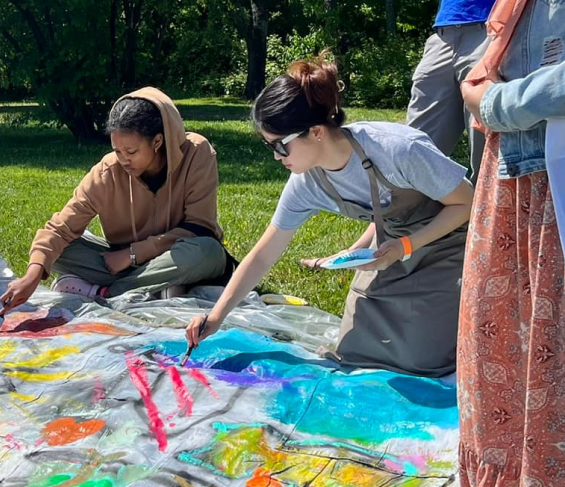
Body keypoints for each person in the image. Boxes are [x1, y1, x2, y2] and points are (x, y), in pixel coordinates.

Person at [186, 54, 473, 378]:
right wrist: (216, 318)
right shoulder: (307, 183)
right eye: (269, 147)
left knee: (421, 364)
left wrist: (405, 246)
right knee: (356, 355)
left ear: (317, 132)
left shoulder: (399, 150)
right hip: (390, 248)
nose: (276, 157)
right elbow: (264, 254)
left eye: (280, 146)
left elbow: (466, 204)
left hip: (450, 243)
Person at [457, 0, 565, 487]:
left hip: (557, 196)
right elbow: (483, 68)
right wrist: (479, 85)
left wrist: (494, 102)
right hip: (516, 182)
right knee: (503, 384)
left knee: (553, 404)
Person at [0, 87, 229, 310]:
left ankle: (107, 294)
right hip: (122, 263)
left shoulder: (196, 153)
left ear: (157, 142)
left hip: (178, 253)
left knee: (208, 252)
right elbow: (60, 228)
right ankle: (156, 290)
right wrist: (32, 276)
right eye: (117, 151)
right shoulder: (107, 171)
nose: (123, 160)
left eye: (131, 152)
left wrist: (134, 253)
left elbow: (200, 227)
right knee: (59, 251)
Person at [405, 0, 495, 180]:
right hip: (443, 31)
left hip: (490, 26)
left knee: (486, 148)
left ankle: (484, 206)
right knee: (413, 148)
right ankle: (410, 203)